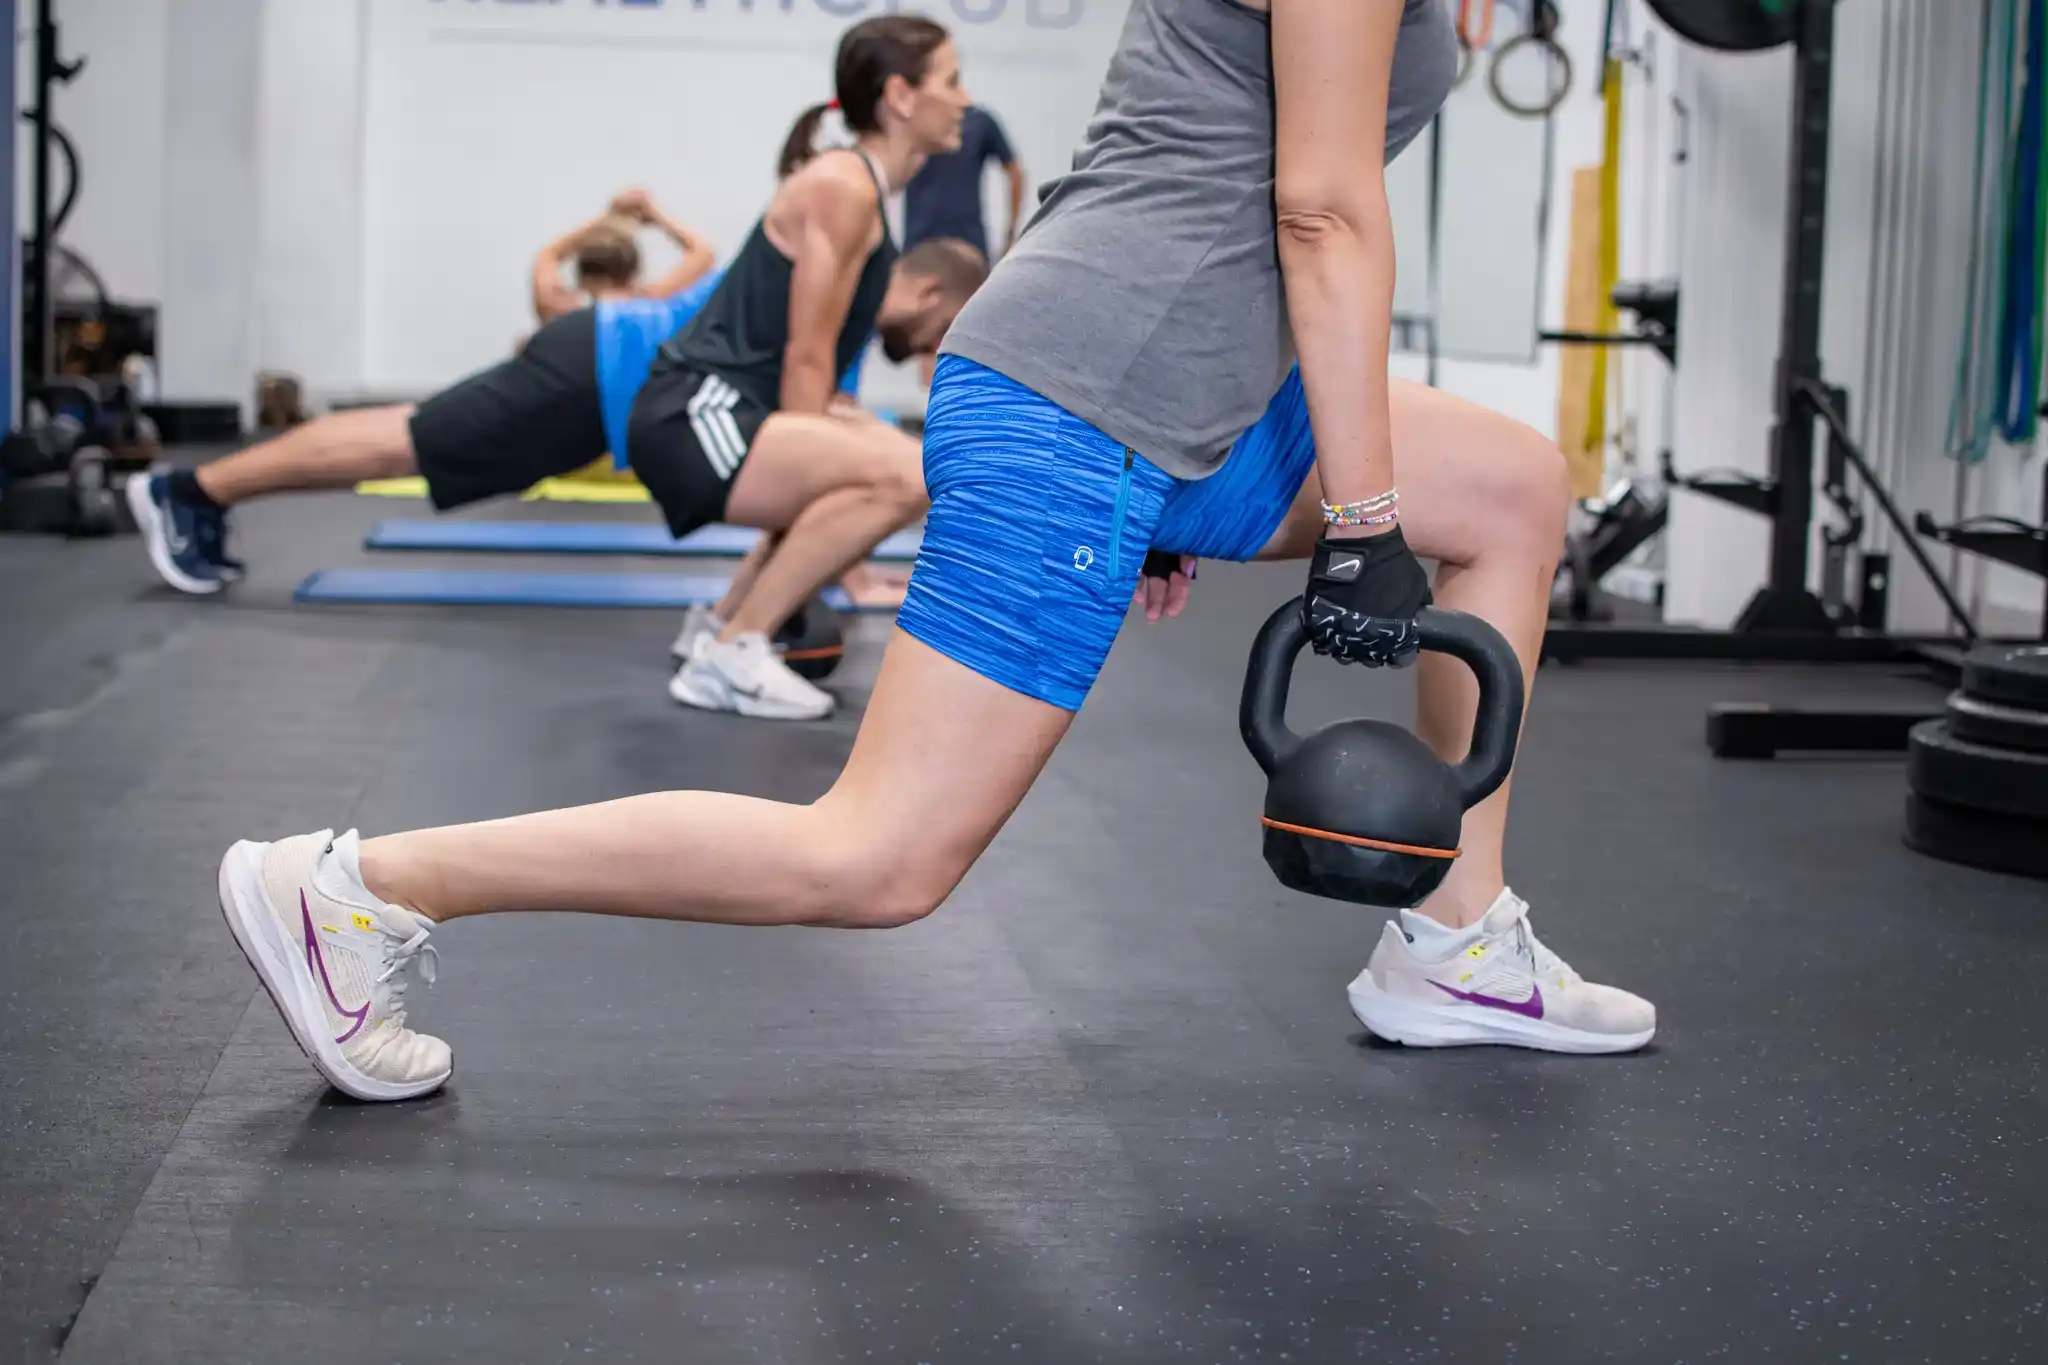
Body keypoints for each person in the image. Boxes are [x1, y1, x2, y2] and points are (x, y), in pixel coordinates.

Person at [212, 0, 1655, 1106]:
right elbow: (1321, 211)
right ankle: (357, 889)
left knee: (1513, 489)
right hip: (1089, 396)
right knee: (878, 856)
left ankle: (1458, 941)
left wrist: (1201, 448)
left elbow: (1181, 160)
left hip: (1161, 385)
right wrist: (1361, 515)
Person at [130, 19, 983, 726]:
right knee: (411, 441)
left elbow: (815, 414)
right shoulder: (846, 196)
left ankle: (727, 632)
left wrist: (835, 550)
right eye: (951, 79)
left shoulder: (862, 218)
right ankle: (190, 491)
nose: (966, 98)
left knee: (413, 442)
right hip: (612, 369)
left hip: (645, 386)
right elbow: (804, 381)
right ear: (900, 96)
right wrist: (832, 547)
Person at [529, 190, 718, 324]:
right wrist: (653, 212)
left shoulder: (562, 314)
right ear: (633, 274)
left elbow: (548, 256)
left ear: (581, 278)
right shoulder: (652, 306)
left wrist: (609, 216)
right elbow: (703, 253)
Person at [903, 104, 1024, 263]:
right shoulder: (912, 119)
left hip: (964, 241)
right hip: (922, 241)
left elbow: (1014, 172)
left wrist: (1010, 233)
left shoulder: (979, 121)